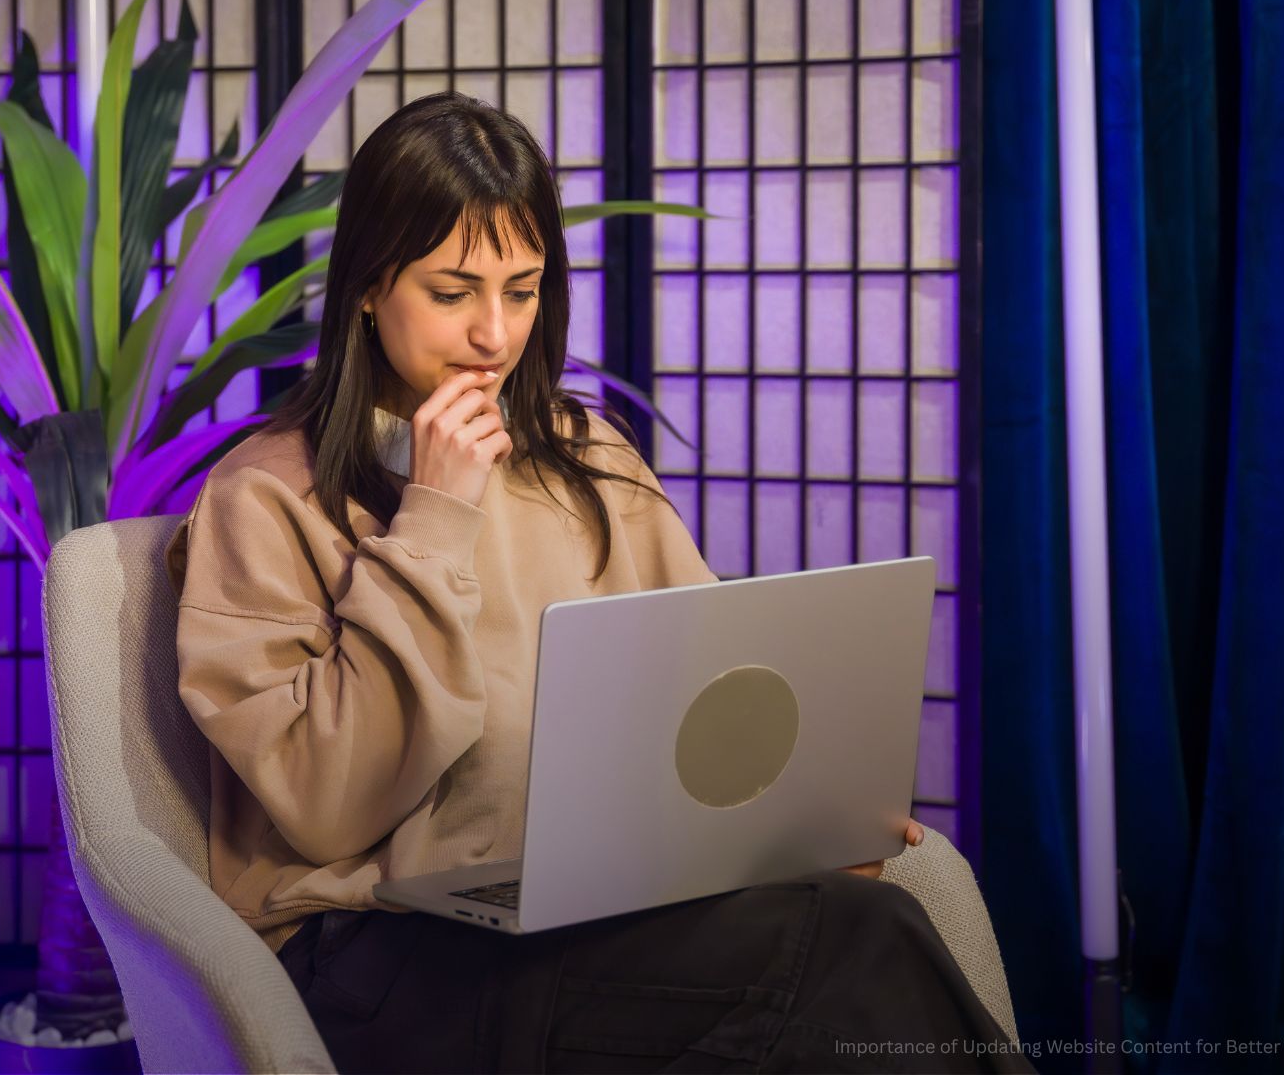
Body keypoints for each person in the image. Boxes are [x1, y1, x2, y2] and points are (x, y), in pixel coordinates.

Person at [164, 92, 1032, 1073]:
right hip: (381, 957)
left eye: (523, 291)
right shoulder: (262, 498)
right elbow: (333, 807)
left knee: (857, 924)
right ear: (368, 285)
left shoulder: (587, 457)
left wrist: (804, 817)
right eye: (453, 293)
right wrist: (434, 518)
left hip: (592, 907)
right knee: (849, 947)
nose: (494, 334)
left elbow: (713, 688)